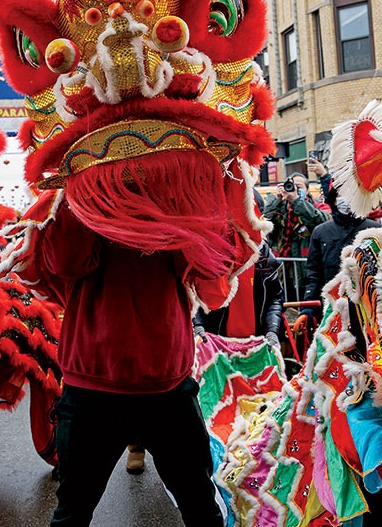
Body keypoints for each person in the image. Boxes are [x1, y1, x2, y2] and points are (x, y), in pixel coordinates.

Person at [32, 202, 225, 527]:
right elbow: (67, 261)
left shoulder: (174, 192)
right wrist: (82, 195)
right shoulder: (77, 196)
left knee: (200, 506)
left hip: (166, 383)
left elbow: (206, 262)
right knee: (72, 511)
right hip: (93, 385)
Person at [292, 187, 382, 334]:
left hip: (366, 307)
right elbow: (314, 273)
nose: (345, 200)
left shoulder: (374, 230)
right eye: (341, 195)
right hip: (331, 306)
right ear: (334, 200)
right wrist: (308, 306)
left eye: (350, 195)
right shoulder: (321, 231)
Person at [193, 241, 284, 347]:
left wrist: (272, 330)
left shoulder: (266, 260)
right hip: (216, 342)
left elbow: (274, 299)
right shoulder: (214, 255)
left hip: (256, 343)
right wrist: (197, 324)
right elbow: (196, 292)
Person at [263, 175, 329, 301]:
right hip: (283, 269)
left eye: (298, 187)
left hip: (307, 267)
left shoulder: (317, 206)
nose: (293, 189)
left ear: (307, 190)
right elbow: (264, 222)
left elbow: (320, 221)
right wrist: (277, 200)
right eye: (290, 186)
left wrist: (297, 201)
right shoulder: (280, 207)